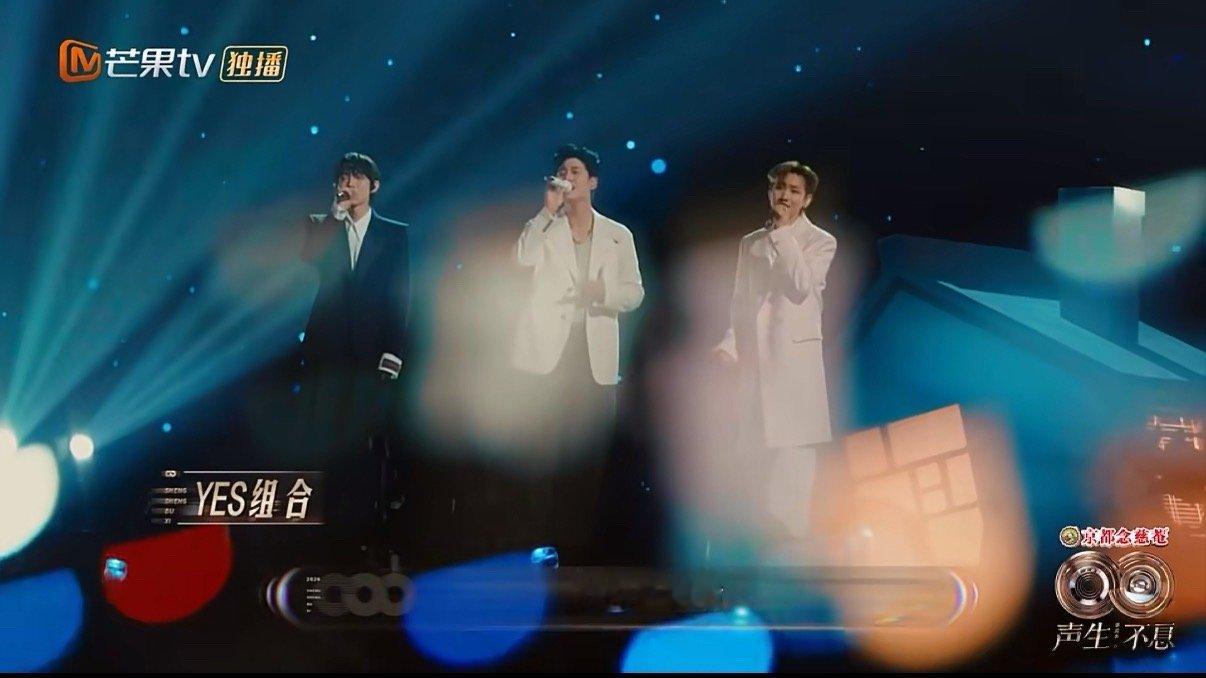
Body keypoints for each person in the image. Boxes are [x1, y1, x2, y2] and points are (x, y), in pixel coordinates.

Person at [511, 143, 644, 562]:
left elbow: (635, 293)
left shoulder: (618, 235)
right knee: (547, 450)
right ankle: (543, 538)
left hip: (595, 355)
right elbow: (521, 259)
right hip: (550, 352)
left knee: (593, 452)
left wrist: (602, 292)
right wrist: (546, 211)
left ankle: (591, 540)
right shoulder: (544, 227)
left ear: (593, 182)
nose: (567, 178)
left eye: (575, 171)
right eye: (562, 172)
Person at [714, 161, 836, 554]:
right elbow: (741, 302)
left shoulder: (821, 242)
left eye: (794, 191)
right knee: (754, 450)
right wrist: (730, 344)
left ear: (807, 199)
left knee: (794, 456)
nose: (784, 196)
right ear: (770, 190)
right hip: (756, 361)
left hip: (794, 364)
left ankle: (791, 543)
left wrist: (783, 234)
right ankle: (753, 539)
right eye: (779, 187)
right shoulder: (750, 242)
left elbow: (800, 288)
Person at [298, 151, 410, 566]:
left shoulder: (394, 234)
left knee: (366, 444)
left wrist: (393, 351)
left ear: (373, 186)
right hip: (326, 354)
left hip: (372, 354)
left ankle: (366, 531)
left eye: (358, 178)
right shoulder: (320, 226)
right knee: (326, 442)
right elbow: (310, 259)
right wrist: (333, 219)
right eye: (344, 177)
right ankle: (325, 534)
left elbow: (400, 294)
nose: (349, 184)